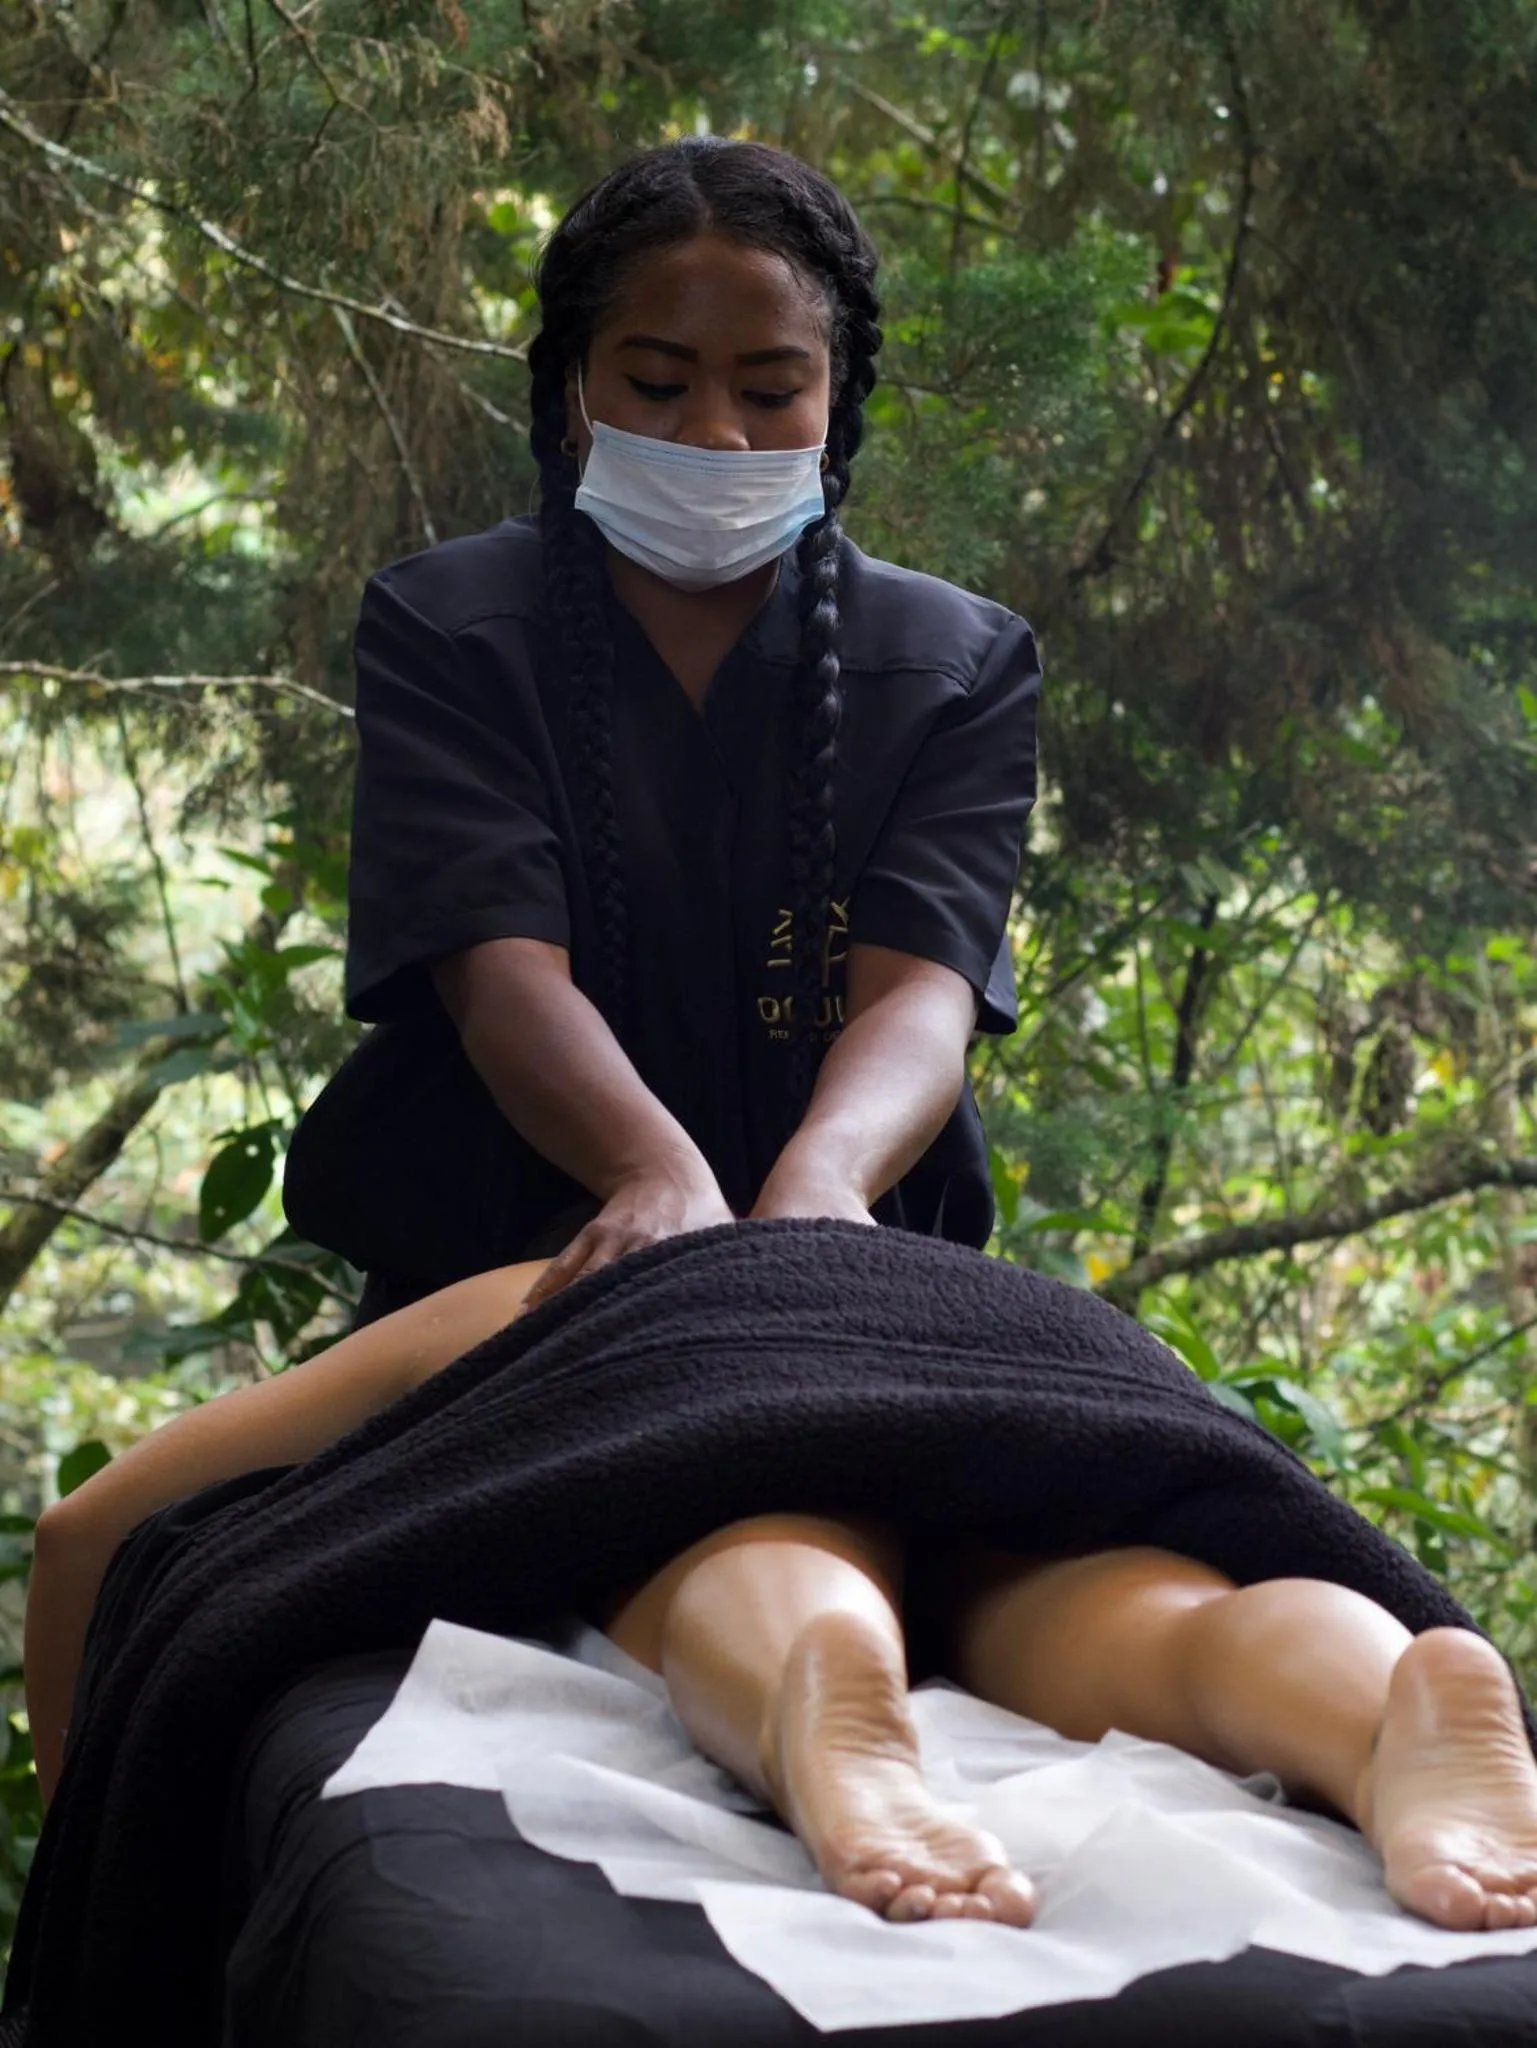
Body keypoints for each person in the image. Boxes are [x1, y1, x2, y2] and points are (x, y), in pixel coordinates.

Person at [28, 1241, 1537, 1938]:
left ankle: (822, 1688)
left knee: (740, 1542)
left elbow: (91, 1531)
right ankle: (1375, 1715)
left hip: (689, 1351)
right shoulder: (964, 1265)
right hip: (1044, 1353)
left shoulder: (550, 1275)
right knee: (1142, 1610)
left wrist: (85, 1850)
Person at [280, 135, 1042, 1323]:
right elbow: (498, 969)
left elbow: (920, 994)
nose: (716, 433)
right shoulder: (446, 628)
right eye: (656, 382)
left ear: (835, 399)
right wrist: (653, 1176)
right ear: (573, 386)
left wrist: (821, 1187)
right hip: (504, 1269)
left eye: (770, 387)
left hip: (841, 1263)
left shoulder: (960, 666)